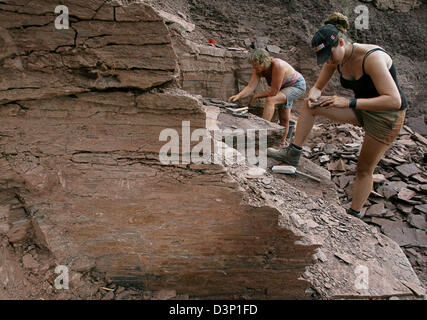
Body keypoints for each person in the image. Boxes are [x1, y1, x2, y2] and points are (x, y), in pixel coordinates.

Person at [268, 12, 408, 219]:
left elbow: (394, 100)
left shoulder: (372, 58)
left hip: (386, 116)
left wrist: (349, 102)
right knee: (308, 106)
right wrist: (314, 97)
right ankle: (293, 154)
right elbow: (317, 88)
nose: (329, 61)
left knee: (363, 168)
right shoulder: (335, 58)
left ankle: (354, 214)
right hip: (362, 109)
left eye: (330, 55)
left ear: (340, 42)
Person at [228, 49, 306, 146]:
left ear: (264, 61)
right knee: (284, 118)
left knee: (271, 100)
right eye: (253, 65)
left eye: (256, 65)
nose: (254, 68)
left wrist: (257, 96)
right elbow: (250, 86)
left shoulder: (278, 65)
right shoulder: (258, 69)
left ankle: (262, 132)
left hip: (296, 85)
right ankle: (281, 142)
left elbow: (273, 92)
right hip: (283, 87)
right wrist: (238, 95)